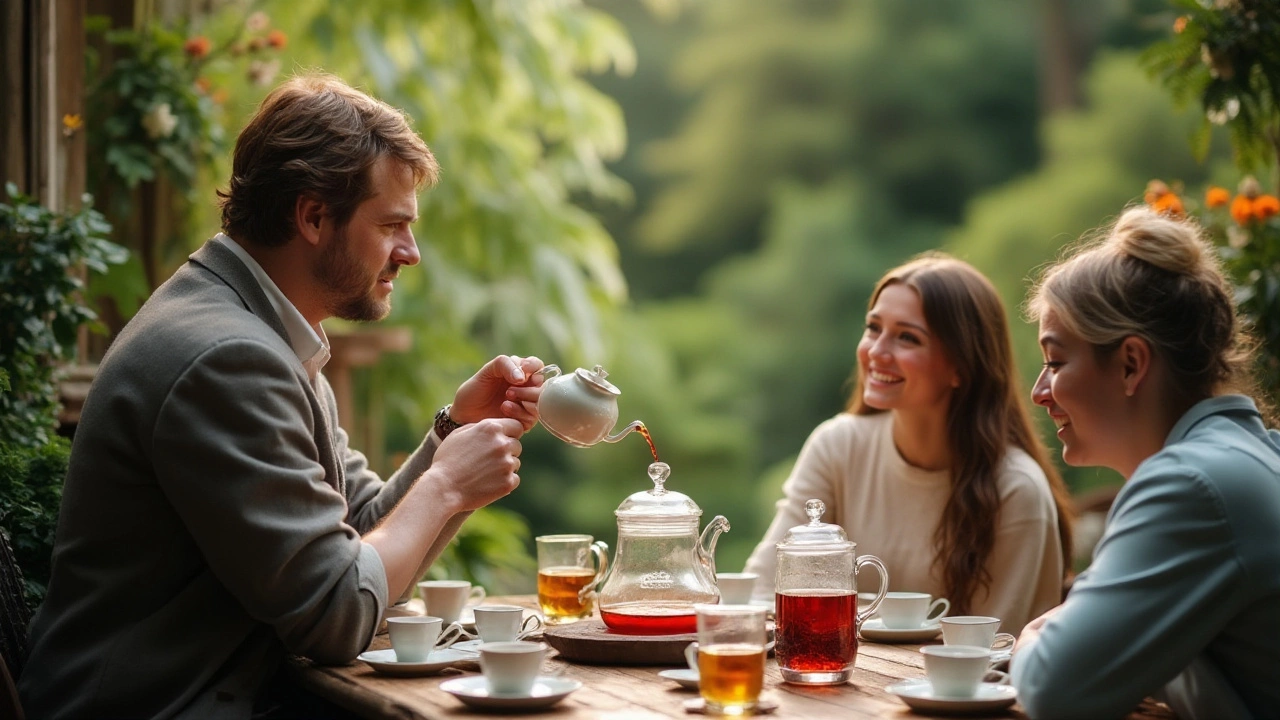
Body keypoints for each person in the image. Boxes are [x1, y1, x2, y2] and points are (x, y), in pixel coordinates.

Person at [18, 74, 545, 719]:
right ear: (314, 216)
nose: (410, 252)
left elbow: (354, 533)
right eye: (391, 225)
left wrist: (451, 432)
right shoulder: (226, 358)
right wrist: (445, 488)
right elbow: (336, 613)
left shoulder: (263, 328)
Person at [1012, 207, 1280, 719]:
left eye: (1055, 362)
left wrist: (1031, 638)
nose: (1039, 392)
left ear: (1131, 364)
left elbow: (1052, 687)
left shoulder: (1192, 487)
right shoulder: (1251, 454)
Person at [744, 253, 1073, 636]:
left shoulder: (1016, 490)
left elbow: (988, 655)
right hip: (835, 686)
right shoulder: (836, 446)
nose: (877, 352)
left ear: (960, 366)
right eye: (873, 328)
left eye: (907, 337)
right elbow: (762, 591)